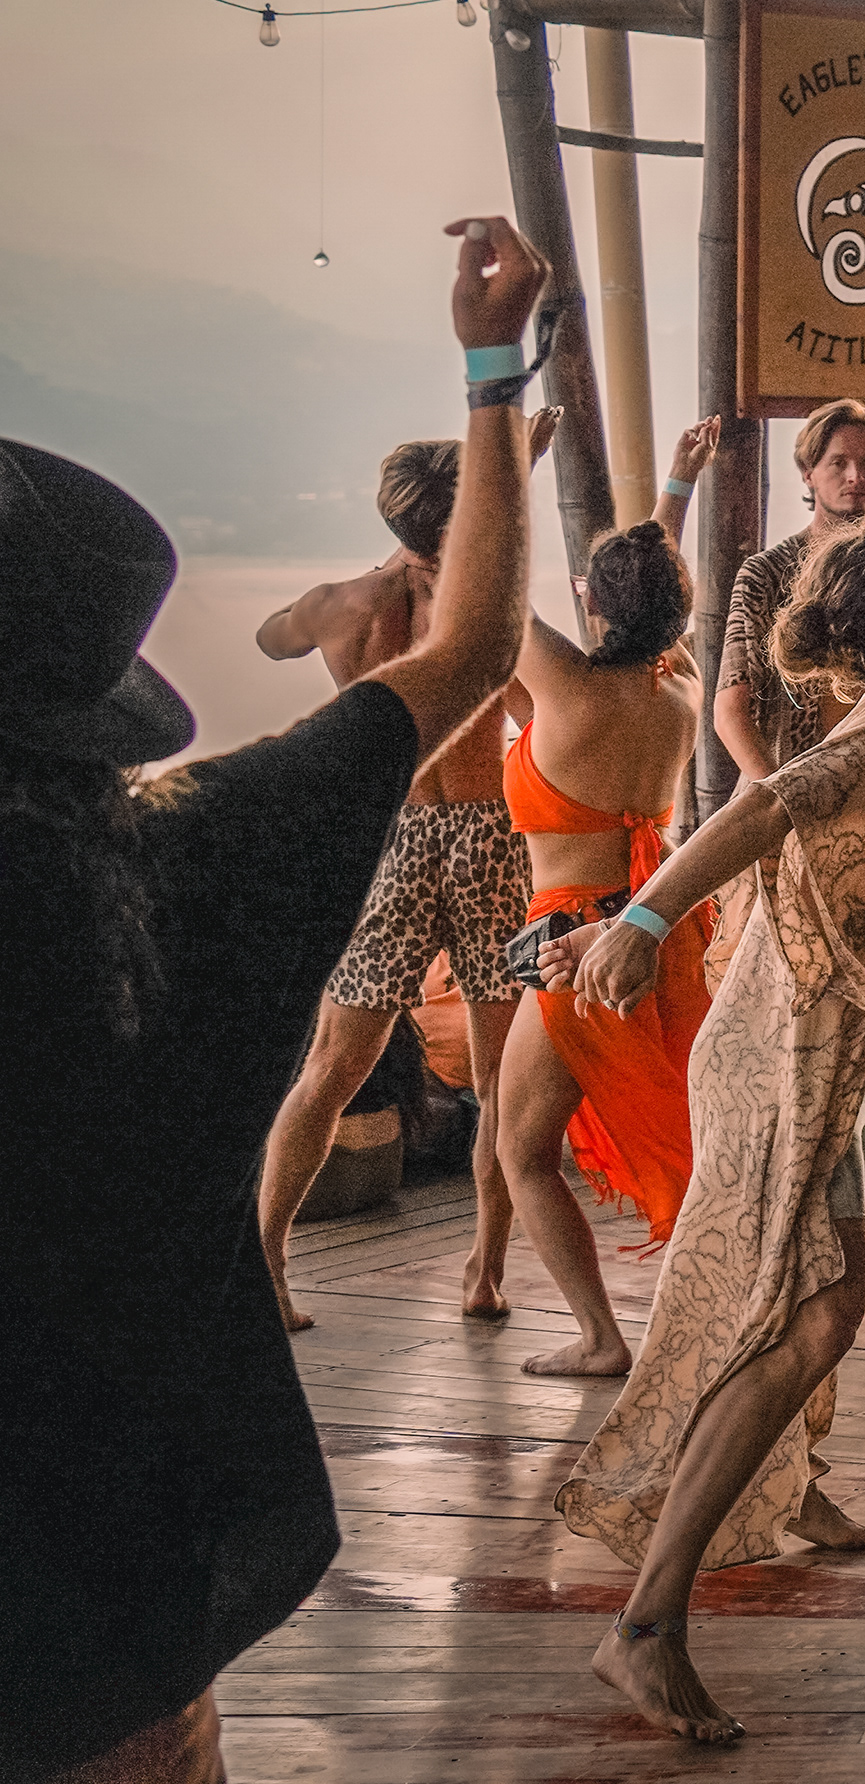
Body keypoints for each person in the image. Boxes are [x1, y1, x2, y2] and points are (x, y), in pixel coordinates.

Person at [1, 215, 544, 1784]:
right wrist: (493, 375)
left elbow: (333, 635)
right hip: (119, 1621)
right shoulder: (185, 872)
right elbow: (479, 649)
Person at [556, 525, 865, 1742]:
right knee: (809, 1317)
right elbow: (771, 802)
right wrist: (641, 917)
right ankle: (646, 1627)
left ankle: (791, 1482)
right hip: (791, 1038)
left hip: (824, 1036)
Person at [246, 427, 565, 1333]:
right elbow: (535, 710)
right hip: (484, 837)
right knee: (503, 1077)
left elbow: (272, 641)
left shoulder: (338, 604)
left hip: (387, 835)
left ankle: (267, 1264)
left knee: (332, 1067)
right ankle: (485, 1269)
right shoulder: (474, 617)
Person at [492, 507, 717, 1377]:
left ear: (591, 603)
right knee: (679, 1111)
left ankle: (599, 1336)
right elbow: (656, 600)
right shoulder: (680, 689)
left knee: (520, 1150)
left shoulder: (571, 690)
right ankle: (719, 1298)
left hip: (575, 943)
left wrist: (515, 452)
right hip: (660, 927)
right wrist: (677, 487)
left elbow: (497, 585)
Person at [710, 398, 865, 785]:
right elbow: (731, 710)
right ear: (808, 473)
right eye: (838, 462)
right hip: (783, 782)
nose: (855, 476)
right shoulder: (766, 573)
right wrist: (782, 802)